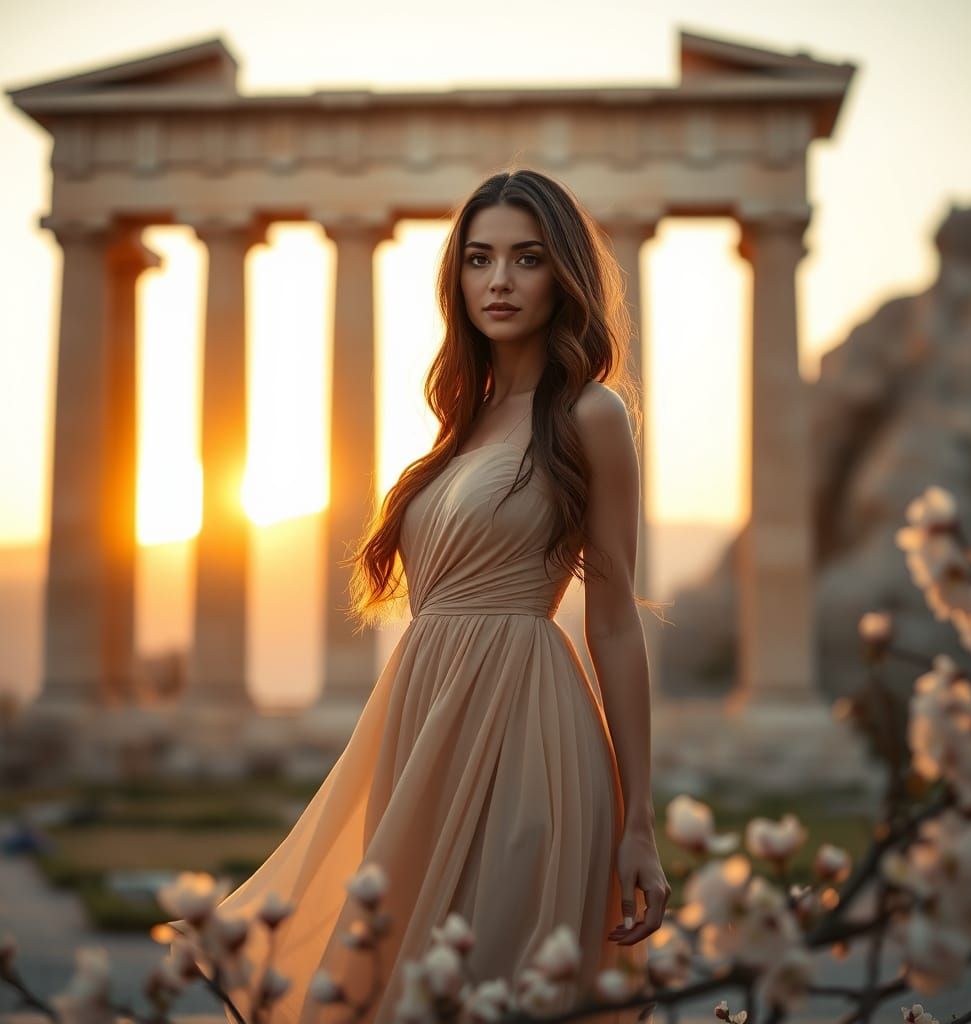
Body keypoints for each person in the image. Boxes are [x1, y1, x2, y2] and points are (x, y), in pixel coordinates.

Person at [166, 168, 670, 1022]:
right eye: (479, 259)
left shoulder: (593, 414)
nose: (500, 281)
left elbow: (616, 620)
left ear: (565, 275)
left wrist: (640, 820)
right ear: (457, 278)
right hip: (419, 721)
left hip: (530, 733)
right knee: (395, 981)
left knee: (496, 984)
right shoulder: (460, 423)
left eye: (527, 258)